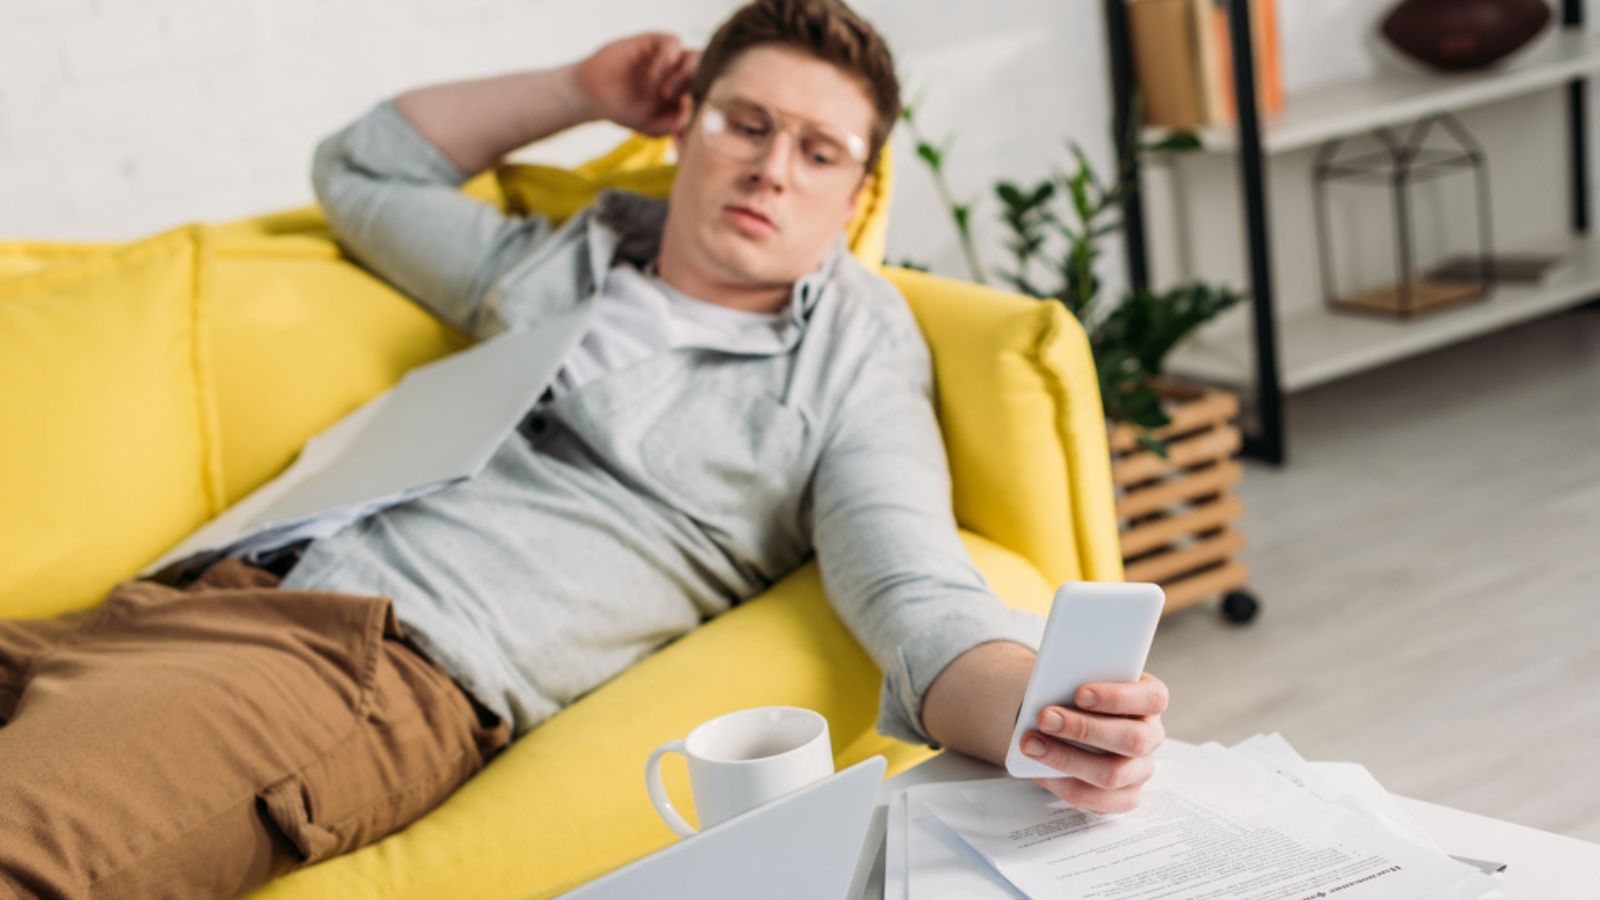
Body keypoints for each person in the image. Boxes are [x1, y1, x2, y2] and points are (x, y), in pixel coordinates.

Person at [0, 0, 1168, 896]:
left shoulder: (848, 362)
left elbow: (912, 587)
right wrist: (578, 84)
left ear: (857, 193)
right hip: (166, 602)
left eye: (818, 152)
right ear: (687, 130)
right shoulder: (561, 261)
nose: (771, 167)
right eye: (746, 122)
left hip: (361, 665)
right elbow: (360, 169)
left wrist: (1042, 713)